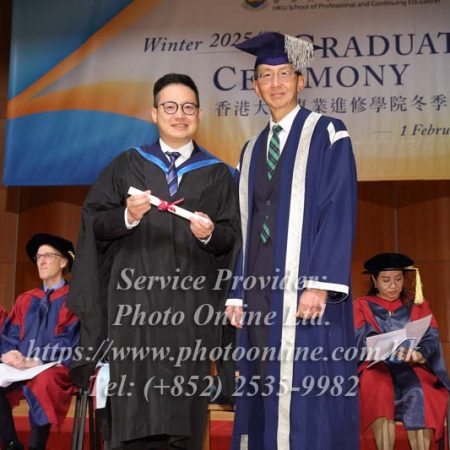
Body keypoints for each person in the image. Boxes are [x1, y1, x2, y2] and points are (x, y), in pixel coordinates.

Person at [67, 73, 240, 450]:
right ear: (154, 113)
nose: (180, 115)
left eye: (189, 107)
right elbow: (94, 223)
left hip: (190, 308)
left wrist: (210, 234)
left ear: (199, 114)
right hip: (133, 307)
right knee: (133, 407)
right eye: (170, 106)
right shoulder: (127, 164)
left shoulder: (218, 174)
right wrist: (127, 216)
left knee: (183, 412)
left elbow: (233, 238)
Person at [225, 32, 359, 450]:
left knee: (307, 391)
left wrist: (319, 283)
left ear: (301, 81)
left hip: (305, 287)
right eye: (266, 76)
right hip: (259, 288)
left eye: (285, 74)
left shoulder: (327, 133)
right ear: (255, 87)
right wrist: (237, 292)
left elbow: (338, 208)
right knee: (264, 383)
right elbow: (246, 225)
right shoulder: (250, 149)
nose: (276, 83)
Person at [354, 252, 450, 450]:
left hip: (411, 365)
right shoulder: (362, 306)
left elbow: (431, 337)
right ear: (374, 280)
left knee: (420, 391)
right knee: (379, 390)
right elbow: (358, 340)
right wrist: (381, 348)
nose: (393, 286)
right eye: (386, 280)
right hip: (376, 366)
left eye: (398, 279)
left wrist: (420, 354)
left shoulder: (417, 305)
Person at [0, 233, 79, 450]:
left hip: (57, 366)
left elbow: (72, 341)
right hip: (21, 366)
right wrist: (8, 353)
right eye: (38, 257)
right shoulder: (26, 299)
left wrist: (35, 360)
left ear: (63, 262)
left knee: (43, 382)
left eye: (48, 256)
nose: (41, 261)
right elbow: (9, 334)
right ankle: (11, 443)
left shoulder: (75, 300)